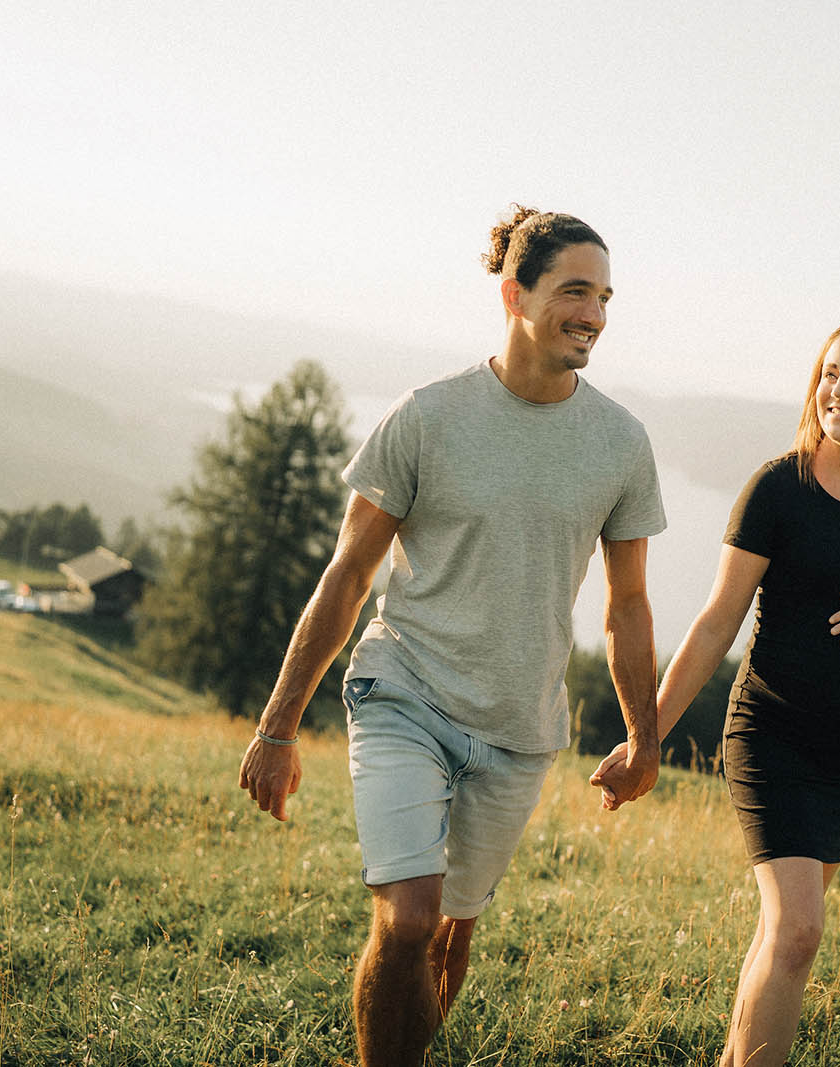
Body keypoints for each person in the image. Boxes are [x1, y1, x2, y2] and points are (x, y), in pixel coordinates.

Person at [238, 205, 665, 1066]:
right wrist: (277, 726)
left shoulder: (620, 442)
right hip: (405, 689)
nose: (594, 314)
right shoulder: (428, 417)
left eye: (606, 296)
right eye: (575, 291)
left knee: (448, 938)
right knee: (408, 919)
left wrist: (643, 737)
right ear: (516, 293)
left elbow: (627, 605)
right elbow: (349, 575)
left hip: (518, 725)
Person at [592, 319, 840, 1066]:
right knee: (798, 931)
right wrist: (646, 736)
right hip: (773, 737)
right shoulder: (779, 487)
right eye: (829, 372)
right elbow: (717, 620)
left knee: (779, 935)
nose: (838, 389)